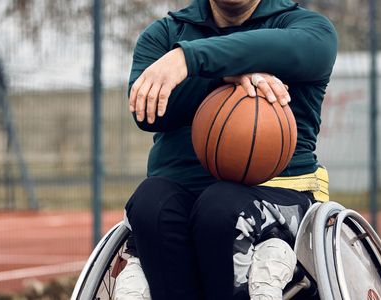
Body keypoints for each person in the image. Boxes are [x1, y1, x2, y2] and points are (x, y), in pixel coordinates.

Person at [114, 0, 337, 299]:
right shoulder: (164, 34)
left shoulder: (310, 29)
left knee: (220, 206)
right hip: (185, 192)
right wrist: (218, 77)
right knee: (149, 202)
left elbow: (282, 47)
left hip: (276, 193)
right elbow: (147, 113)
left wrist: (187, 60)